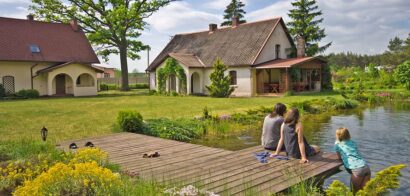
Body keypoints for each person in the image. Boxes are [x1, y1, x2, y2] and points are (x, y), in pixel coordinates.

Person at [334, 127, 370, 193]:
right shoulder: (353, 142)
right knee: (365, 192)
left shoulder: (337, 145)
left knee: (354, 192)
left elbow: (339, 157)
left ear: (338, 136)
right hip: (366, 167)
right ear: (348, 134)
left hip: (357, 170)